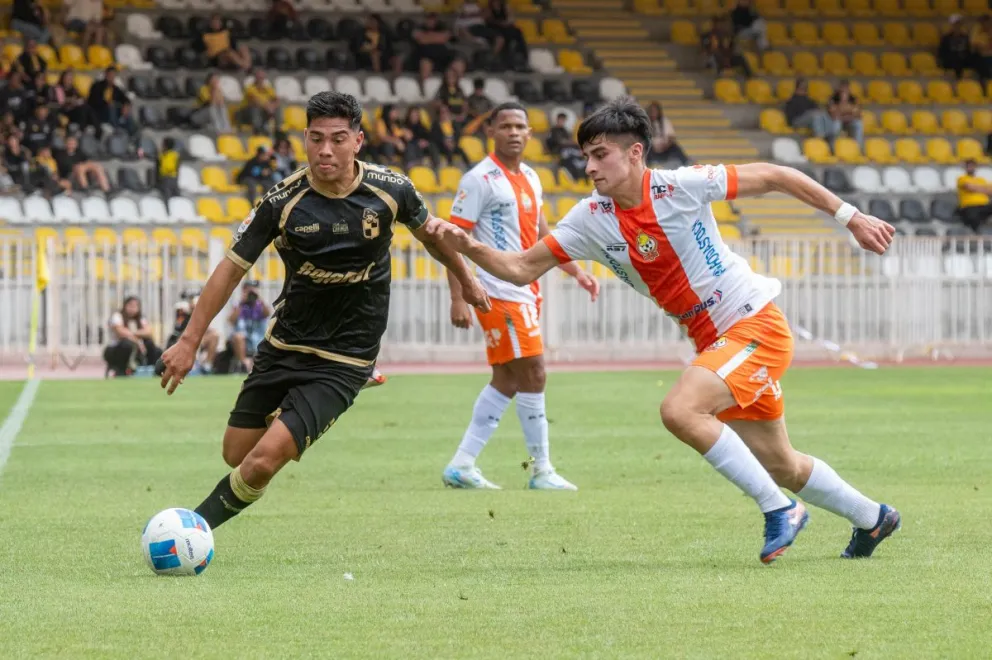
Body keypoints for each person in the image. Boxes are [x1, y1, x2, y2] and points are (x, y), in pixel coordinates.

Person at [427, 97, 901, 564]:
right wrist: (468, 245)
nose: (589, 167)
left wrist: (850, 217)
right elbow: (520, 268)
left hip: (753, 323)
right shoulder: (590, 218)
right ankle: (873, 517)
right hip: (715, 343)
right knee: (782, 464)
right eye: (586, 156)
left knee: (680, 410)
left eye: (600, 155)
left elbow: (777, 175)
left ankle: (781, 507)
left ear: (635, 153)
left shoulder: (682, 186)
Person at [156, 91, 490, 533]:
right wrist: (188, 340)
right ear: (305, 140)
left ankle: (190, 532)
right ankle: (294, 408)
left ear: (358, 141)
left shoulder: (391, 191)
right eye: (315, 139)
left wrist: (464, 283)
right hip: (287, 342)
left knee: (260, 463)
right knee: (236, 453)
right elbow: (229, 270)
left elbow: (433, 236)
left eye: (336, 139)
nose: (325, 150)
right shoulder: (281, 202)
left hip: (347, 354)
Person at [441, 102, 599, 491]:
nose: (514, 132)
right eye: (506, 125)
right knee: (535, 373)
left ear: (530, 134)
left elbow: (543, 235)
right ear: (491, 131)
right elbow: (451, 239)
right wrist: (459, 296)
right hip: (497, 292)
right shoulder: (479, 179)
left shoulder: (531, 176)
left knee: (507, 380)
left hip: (526, 291)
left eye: (520, 126)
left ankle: (461, 465)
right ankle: (541, 470)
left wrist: (575, 269)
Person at [104, 296, 163, 377]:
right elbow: (120, 331)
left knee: (151, 345)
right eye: (130, 305)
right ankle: (121, 371)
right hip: (116, 350)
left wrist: (134, 334)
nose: (133, 308)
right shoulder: (117, 316)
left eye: (135, 306)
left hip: (138, 349)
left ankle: (153, 370)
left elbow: (148, 332)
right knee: (126, 344)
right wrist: (136, 338)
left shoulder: (141, 318)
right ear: (125, 306)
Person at [228, 279, 272, 372]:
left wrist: (259, 298)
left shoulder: (260, 304)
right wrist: (241, 302)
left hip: (258, 338)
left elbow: (267, 313)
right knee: (238, 336)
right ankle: (244, 364)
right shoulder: (239, 305)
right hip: (244, 340)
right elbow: (231, 320)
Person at [956, 158, 992, 232]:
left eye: (972, 166)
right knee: (972, 216)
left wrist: (976, 188)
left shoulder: (981, 179)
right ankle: (977, 235)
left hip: (984, 205)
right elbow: (969, 187)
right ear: (965, 168)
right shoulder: (962, 178)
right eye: (968, 166)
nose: (970, 168)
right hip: (969, 206)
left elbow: (990, 191)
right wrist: (983, 189)